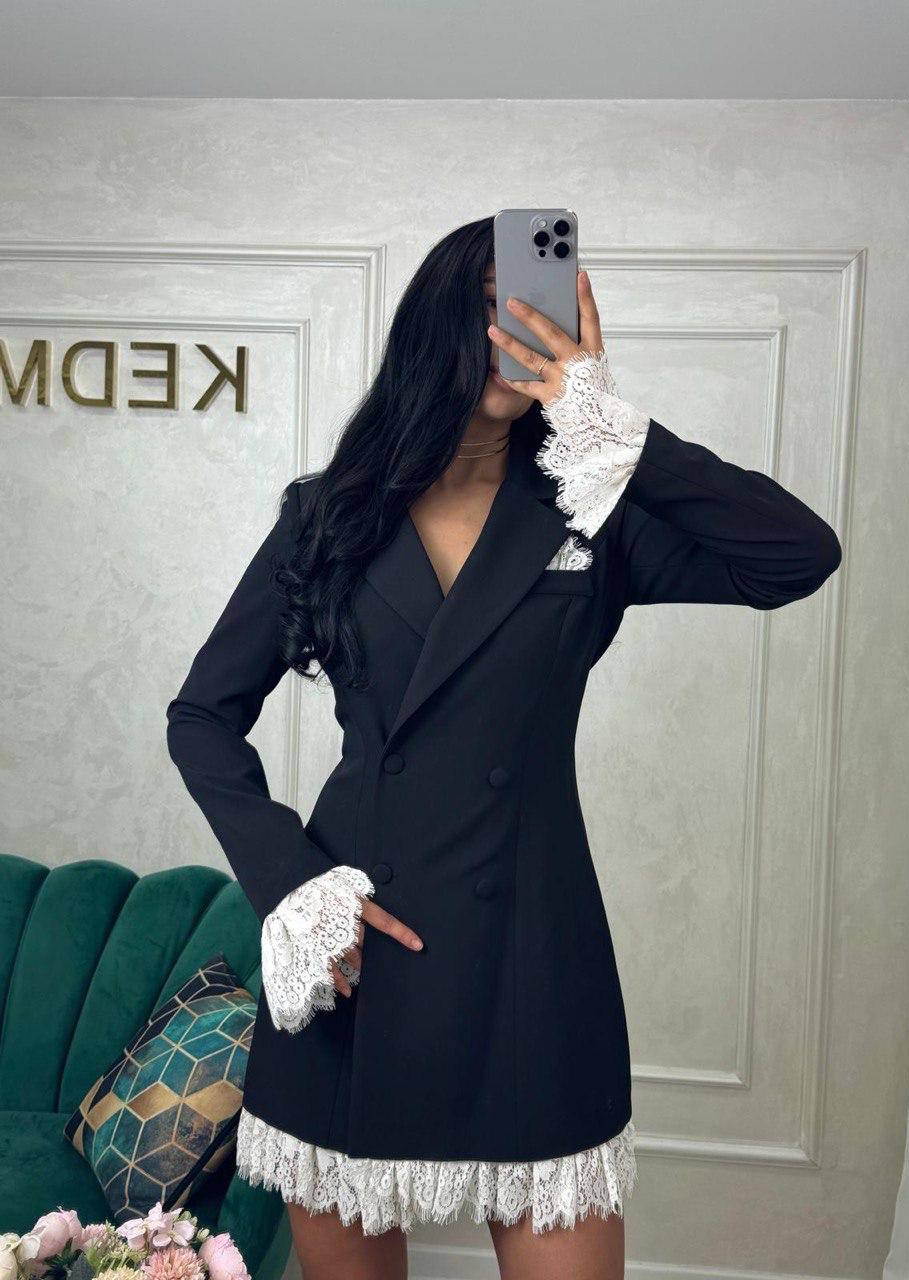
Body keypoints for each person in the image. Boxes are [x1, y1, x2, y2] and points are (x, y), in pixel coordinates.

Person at [165, 215, 842, 1280]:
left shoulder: (592, 507)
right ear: (435, 320)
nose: (517, 332)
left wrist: (611, 428)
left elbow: (797, 555)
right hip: (356, 949)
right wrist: (289, 882)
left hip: (532, 951)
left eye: (540, 307)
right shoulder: (328, 515)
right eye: (492, 306)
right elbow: (201, 714)